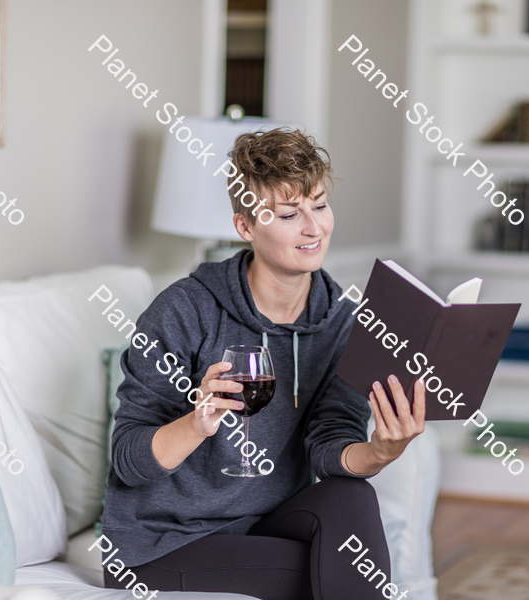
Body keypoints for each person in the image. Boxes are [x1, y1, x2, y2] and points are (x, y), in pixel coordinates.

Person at [103, 128, 425, 600]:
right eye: (290, 214)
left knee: (351, 495)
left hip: (267, 523)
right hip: (163, 544)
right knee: (331, 573)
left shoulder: (341, 320)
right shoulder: (183, 310)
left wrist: (381, 451)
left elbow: (328, 444)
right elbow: (128, 460)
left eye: (319, 205)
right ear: (245, 227)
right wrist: (198, 422)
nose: (313, 228)